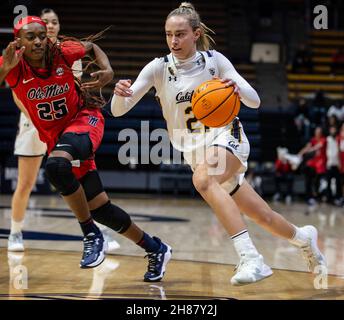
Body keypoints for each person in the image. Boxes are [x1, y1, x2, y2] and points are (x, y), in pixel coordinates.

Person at [111, 2, 326, 286]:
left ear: (196, 33)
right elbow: (118, 110)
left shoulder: (215, 61)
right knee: (264, 216)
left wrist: (237, 87)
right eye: (168, 34)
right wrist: (119, 93)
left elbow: (254, 100)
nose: (173, 41)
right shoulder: (158, 68)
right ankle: (304, 238)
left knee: (203, 180)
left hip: (228, 137)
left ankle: (251, 258)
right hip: (194, 151)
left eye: (180, 34)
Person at [0, 16, 171, 281]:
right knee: (101, 208)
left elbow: (91, 47)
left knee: (56, 166)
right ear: (18, 42)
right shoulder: (12, 66)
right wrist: (3, 69)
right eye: (30, 37)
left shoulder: (61, 52)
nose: (38, 42)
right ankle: (155, 248)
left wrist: (108, 69)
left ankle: (91, 235)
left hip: (85, 120)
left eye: (41, 36)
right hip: (58, 139)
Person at [7, 8, 120, 254]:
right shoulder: (23, 58)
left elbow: (88, 57)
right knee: (26, 183)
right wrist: (34, 117)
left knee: (84, 174)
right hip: (33, 121)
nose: (49, 26)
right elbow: (18, 94)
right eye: (45, 22)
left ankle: (103, 229)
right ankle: (15, 233)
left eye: (54, 22)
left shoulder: (66, 50)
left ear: (57, 27)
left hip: (66, 121)